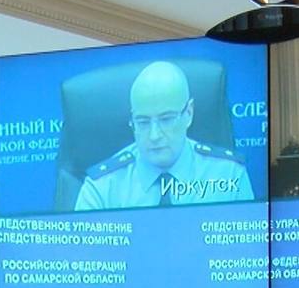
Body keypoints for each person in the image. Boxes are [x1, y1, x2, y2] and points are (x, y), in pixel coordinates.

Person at [75, 61, 253, 209]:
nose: (154, 136)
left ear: (189, 113)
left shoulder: (229, 175)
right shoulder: (102, 188)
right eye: (143, 122)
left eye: (166, 119)